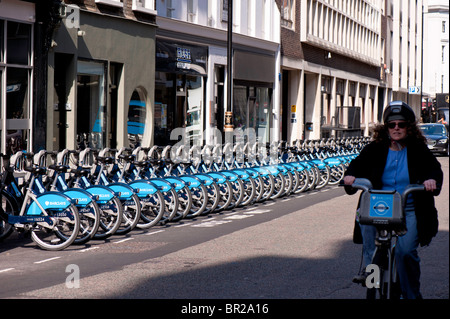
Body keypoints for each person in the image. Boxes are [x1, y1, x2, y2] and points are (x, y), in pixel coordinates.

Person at [343, 100, 443, 299]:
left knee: (405, 253)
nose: (396, 128)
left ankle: (412, 294)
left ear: (409, 127)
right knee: (371, 251)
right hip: (376, 208)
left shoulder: (418, 149)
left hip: (409, 209)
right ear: (386, 127)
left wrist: (431, 179)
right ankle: (372, 283)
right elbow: (356, 165)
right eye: (392, 124)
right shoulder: (375, 148)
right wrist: (350, 177)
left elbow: (434, 169)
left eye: (401, 124)